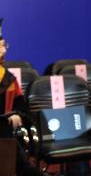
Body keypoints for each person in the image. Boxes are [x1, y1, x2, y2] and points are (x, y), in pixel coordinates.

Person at [0, 20, 47, 176]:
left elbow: (20, 104)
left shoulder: (7, 78)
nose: (4, 51)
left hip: (4, 132)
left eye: (4, 46)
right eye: (0, 47)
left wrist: (16, 114)